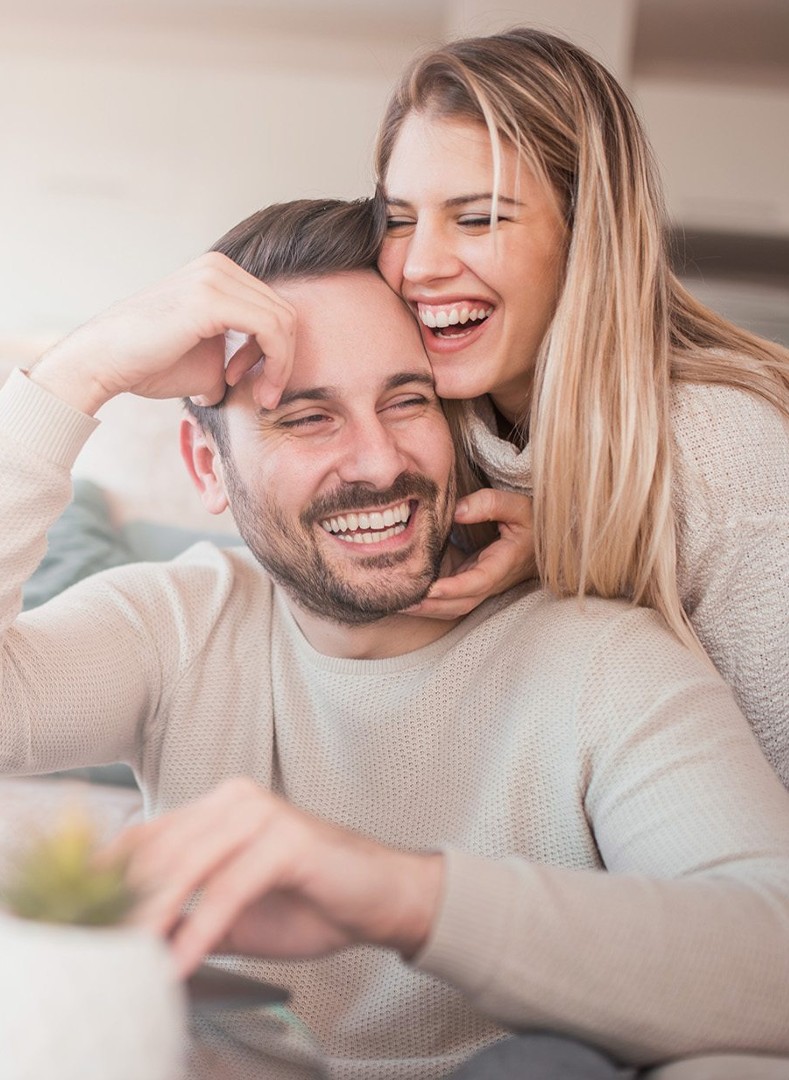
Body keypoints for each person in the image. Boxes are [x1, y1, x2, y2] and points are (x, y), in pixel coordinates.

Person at [3, 199, 789, 1080]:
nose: (378, 463)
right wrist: (72, 379)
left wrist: (400, 896)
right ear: (204, 467)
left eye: (406, 399)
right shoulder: (176, 625)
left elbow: (773, 959)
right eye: (306, 417)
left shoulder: (601, 660)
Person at [371, 27, 789, 786]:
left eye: (478, 218)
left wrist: (571, 564)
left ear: (584, 233)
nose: (419, 265)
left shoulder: (722, 453)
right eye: (399, 219)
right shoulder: (425, 421)